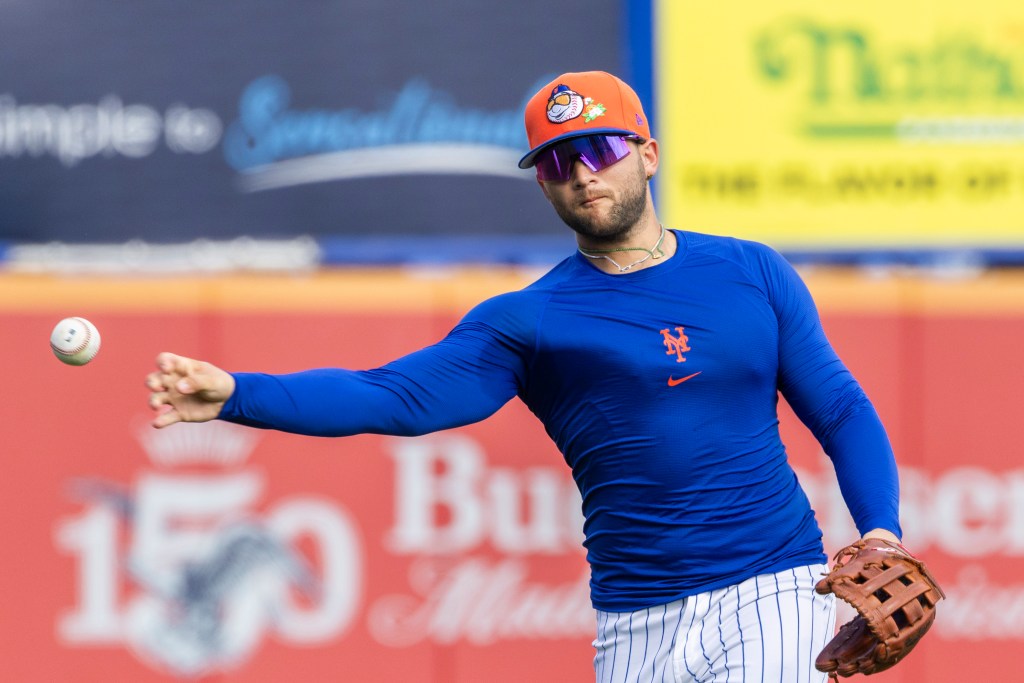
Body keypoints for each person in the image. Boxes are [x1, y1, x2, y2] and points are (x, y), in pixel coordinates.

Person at [146, 71, 903, 683]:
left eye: (599, 148)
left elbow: (837, 406)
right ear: (541, 184)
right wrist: (237, 394)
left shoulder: (750, 271)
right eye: (556, 161)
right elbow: (397, 396)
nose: (581, 174)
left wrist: (880, 531)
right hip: (633, 622)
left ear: (647, 152)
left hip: (770, 589)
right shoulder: (531, 319)